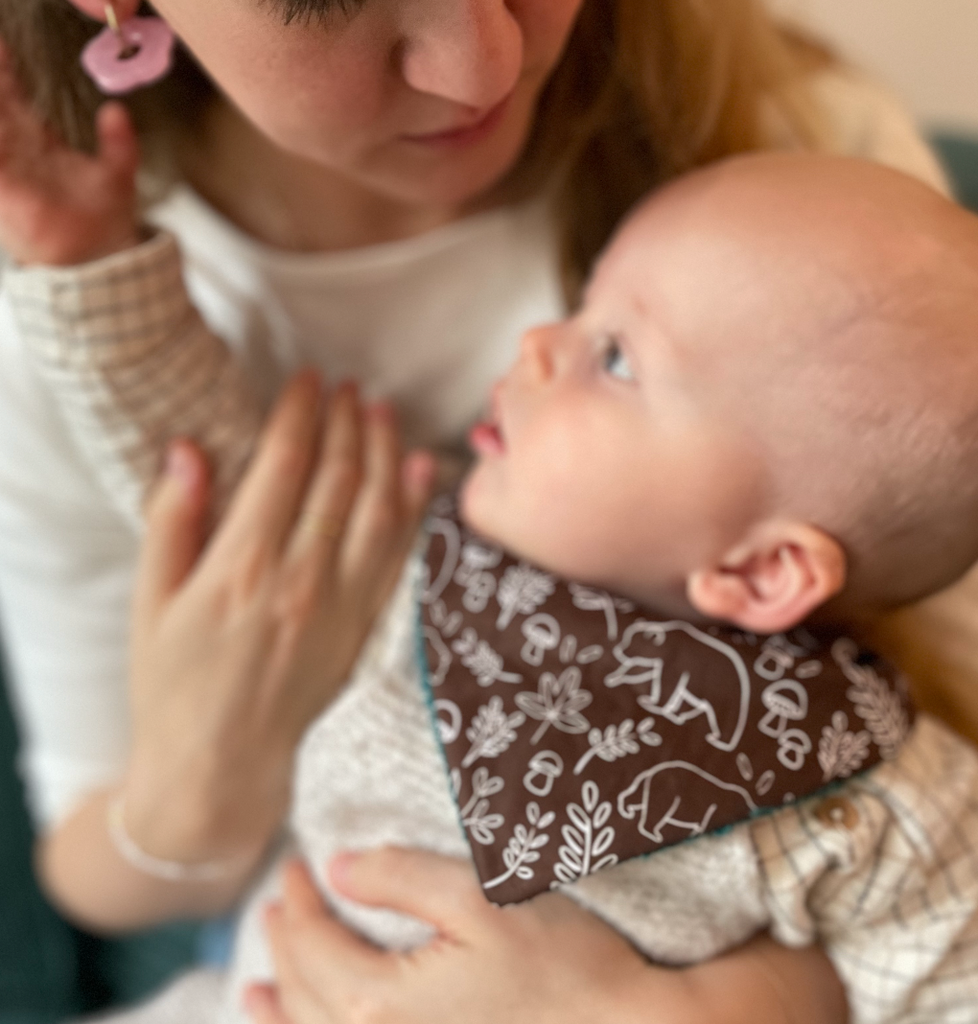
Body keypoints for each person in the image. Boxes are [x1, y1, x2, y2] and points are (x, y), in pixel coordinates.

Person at [0, 0, 953, 1019]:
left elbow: (948, 943)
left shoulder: (853, 776)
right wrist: (89, 273)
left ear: (767, 570)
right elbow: (205, 457)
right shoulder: (428, 581)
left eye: (615, 356)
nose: (480, 62)